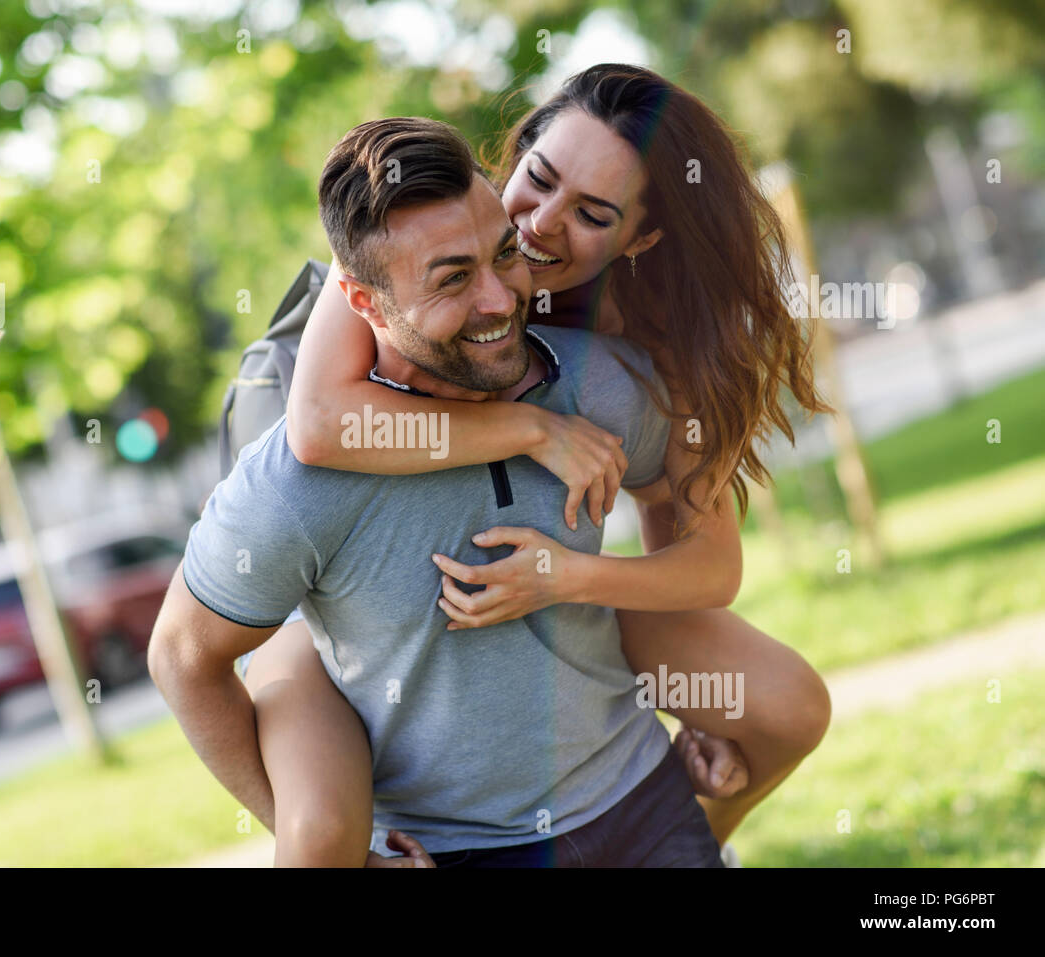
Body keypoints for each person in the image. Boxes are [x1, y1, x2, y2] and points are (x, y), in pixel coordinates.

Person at [260, 64, 834, 864]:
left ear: (643, 236)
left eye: (593, 214)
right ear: (517, 151)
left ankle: (684, 841)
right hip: (337, 588)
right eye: (539, 177)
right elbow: (319, 424)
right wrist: (528, 429)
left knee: (783, 704)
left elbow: (703, 566)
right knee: (318, 835)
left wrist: (566, 580)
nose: (540, 224)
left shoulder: (652, 340)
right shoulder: (423, 218)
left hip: (535, 564)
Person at [150, 115, 730, 867]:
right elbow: (180, 655)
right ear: (362, 302)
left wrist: (708, 702)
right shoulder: (298, 480)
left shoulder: (600, 385)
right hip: (457, 850)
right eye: (453, 278)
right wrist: (355, 855)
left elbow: (695, 538)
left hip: (643, 802)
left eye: (504, 255)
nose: (499, 300)